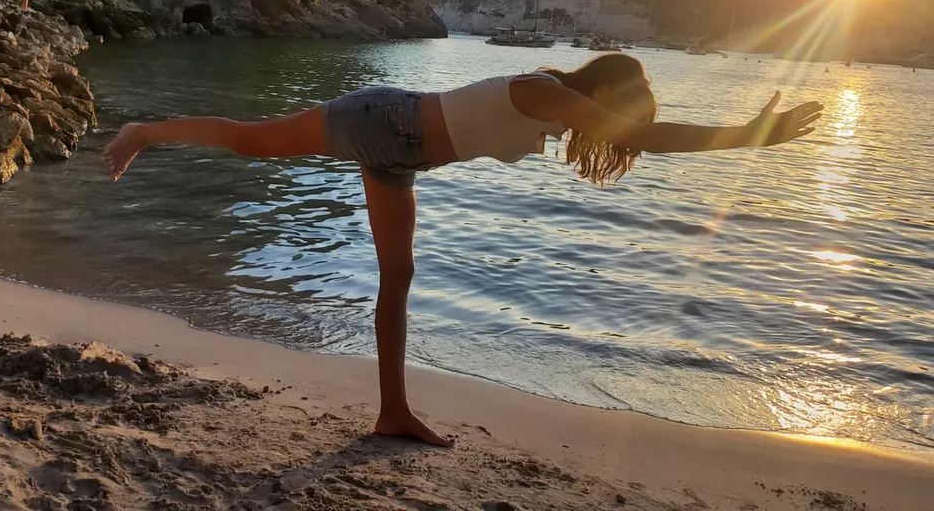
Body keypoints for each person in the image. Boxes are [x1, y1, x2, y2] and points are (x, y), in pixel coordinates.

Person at [103, 53, 823, 446]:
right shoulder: (542, 90)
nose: (615, 124)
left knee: (399, 277)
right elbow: (651, 140)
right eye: (618, 107)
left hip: (399, 155)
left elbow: (637, 138)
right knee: (252, 141)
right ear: (604, 87)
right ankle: (144, 132)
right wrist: (750, 133)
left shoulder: (552, 103)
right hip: (379, 117)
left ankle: (392, 411)